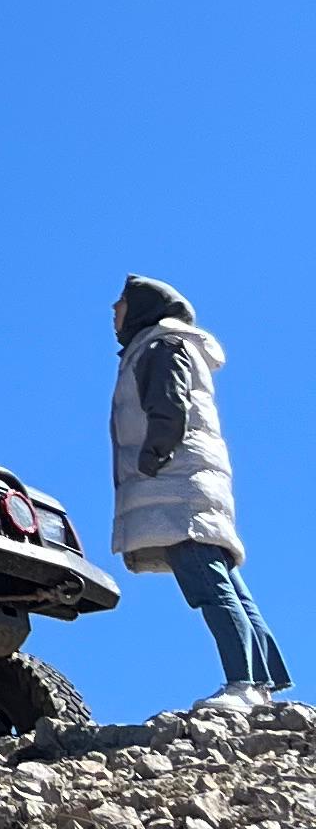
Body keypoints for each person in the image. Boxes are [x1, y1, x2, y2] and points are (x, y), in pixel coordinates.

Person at [112, 276, 289, 696]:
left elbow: (169, 407)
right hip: (191, 483)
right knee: (225, 583)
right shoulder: (169, 346)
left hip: (176, 485)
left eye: (119, 304)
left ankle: (243, 682)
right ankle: (263, 682)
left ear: (141, 308)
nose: (113, 313)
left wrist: (153, 458)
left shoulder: (160, 346)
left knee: (208, 587)